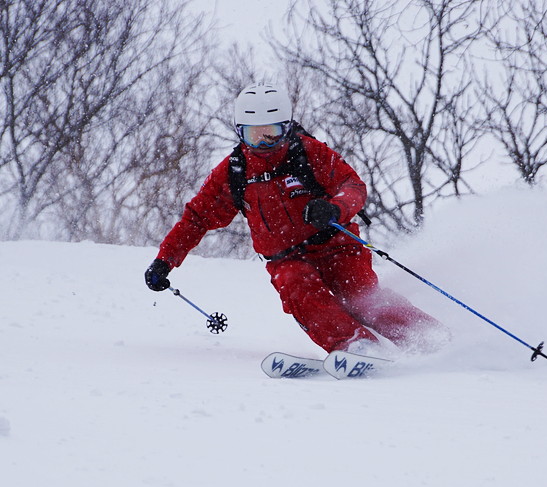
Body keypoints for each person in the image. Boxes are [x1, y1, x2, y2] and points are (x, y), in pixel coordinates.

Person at [145, 82, 446, 354]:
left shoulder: (309, 153)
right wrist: (165, 260)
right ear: (240, 131)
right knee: (297, 287)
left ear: (287, 127)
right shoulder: (234, 171)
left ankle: (430, 339)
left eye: (272, 133)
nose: (264, 143)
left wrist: (334, 209)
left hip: (336, 245)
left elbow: (352, 186)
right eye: (254, 134)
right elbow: (197, 218)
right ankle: (357, 347)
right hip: (286, 258)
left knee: (359, 295)